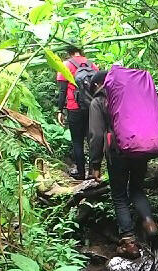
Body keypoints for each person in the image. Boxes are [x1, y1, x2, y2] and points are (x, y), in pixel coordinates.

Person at [88, 71, 158, 260]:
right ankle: (149, 223)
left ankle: (129, 241)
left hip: (117, 152)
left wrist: (95, 164)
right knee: (137, 189)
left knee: (119, 196)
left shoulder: (99, 101)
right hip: (140, 148)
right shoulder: (132, 94)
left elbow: (96, 135)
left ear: (97, 85)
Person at [56, 45, 98, 180]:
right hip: (91, 107)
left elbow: (62, 90)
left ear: (68, 51)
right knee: (91, 139)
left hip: (74, 107)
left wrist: (60, 110)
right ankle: (93, 171)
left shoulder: (65, 65)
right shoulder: (92, 65)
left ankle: (80, 172)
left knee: (77, 141)